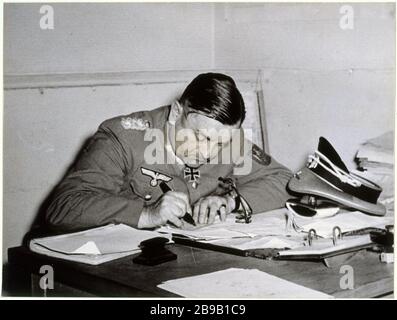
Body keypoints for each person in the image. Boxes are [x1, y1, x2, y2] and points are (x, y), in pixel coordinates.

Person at [45, 73, 293, 231]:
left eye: (219, 144)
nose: (208, 153)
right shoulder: (123, 138)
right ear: (176, 113)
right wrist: (146, 214)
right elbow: (64, 207)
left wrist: (230, 201)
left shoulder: (226, 138)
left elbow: (285, 181)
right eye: (200, 137)